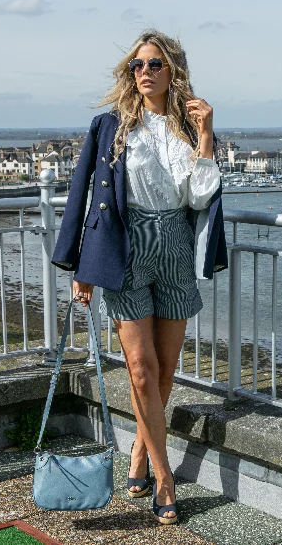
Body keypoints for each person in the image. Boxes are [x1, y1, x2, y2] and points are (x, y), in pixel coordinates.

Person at [51, 29, 228, 525]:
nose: (143, 72)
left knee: (166, 371)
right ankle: (165, 479)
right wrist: (82, 267)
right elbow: (82, 196)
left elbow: (199, 198)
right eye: (136, 65)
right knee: (141, 369)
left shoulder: (190, 128)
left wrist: (208, 137)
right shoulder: (109, 126)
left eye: (154, 64)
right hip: (128, 251)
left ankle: (139, 455)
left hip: (174, 248)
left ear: (173, 71)